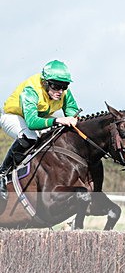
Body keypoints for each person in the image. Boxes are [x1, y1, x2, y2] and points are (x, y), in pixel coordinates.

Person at [0, 60, 80, 198]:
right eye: (56, 86)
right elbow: (31, 122)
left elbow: (72, 112)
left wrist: (73, 120)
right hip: (14, 116)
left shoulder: (63, 91)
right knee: (29, 137)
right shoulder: (31, 90)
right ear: (45, 82)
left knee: (57, 137)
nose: (60, 91)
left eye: (64, 86)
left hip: (39, 118)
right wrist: (57, 120)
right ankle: (2, 174)